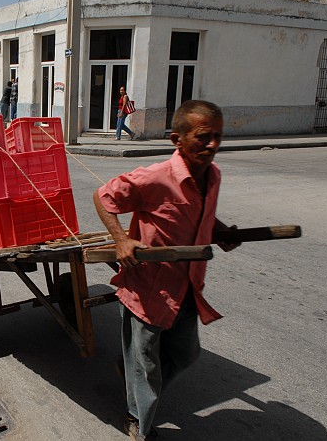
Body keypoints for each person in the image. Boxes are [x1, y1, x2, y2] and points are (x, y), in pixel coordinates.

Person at [93, 100, 239, 441]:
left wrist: (220, 232)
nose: (213, 145)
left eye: (217, 136)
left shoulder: (212, 177)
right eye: (203, 137)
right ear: (178, 138)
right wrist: (121, 241)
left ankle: (133, 380)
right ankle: (137, 423)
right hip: (148, 289)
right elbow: (104, 197)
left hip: (187, 287)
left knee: (186, 354)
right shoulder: (156, 177)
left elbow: (199, 215)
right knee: (147, 368)